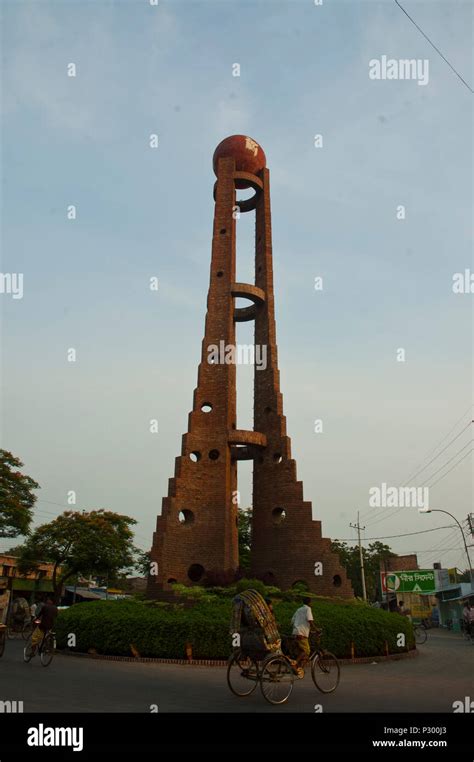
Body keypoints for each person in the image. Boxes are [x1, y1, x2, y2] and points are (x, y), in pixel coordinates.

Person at [291, 597, 318, 678]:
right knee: (307, 650)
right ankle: (294, 663)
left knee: (302, 652)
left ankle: (299, 669)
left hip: (296, 632)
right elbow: (310, 620)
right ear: (309, 603)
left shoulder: (299, 609)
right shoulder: (308, 609)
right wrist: (316, 629)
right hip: (302, 633)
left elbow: (292, 621)